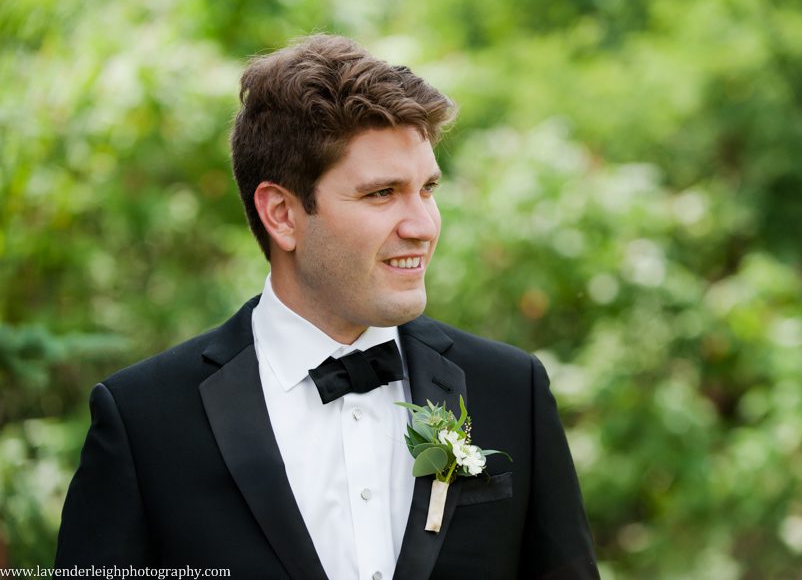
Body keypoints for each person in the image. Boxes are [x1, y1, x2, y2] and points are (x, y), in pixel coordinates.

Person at [55, 34, 599, 580]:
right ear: (282, 215)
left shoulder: (512, 390)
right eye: (381, 193)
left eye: (427, 189)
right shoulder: (145, 422)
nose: (422, 226)